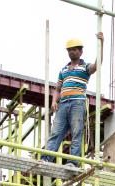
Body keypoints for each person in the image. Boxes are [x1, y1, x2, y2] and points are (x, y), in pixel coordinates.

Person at [42, 32, 104, 164]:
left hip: (77, 102)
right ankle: (46, 159)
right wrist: (54, 101)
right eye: (69, 50)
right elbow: (58, 89)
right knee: (55, 133)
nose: (72, 52)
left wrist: (101, 44)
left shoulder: (85, 67)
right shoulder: (63, 70)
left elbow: (97, 65)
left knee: (77, 133)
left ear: (81, 51)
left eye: (74, 49)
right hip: (63, 103)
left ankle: (73, 162)